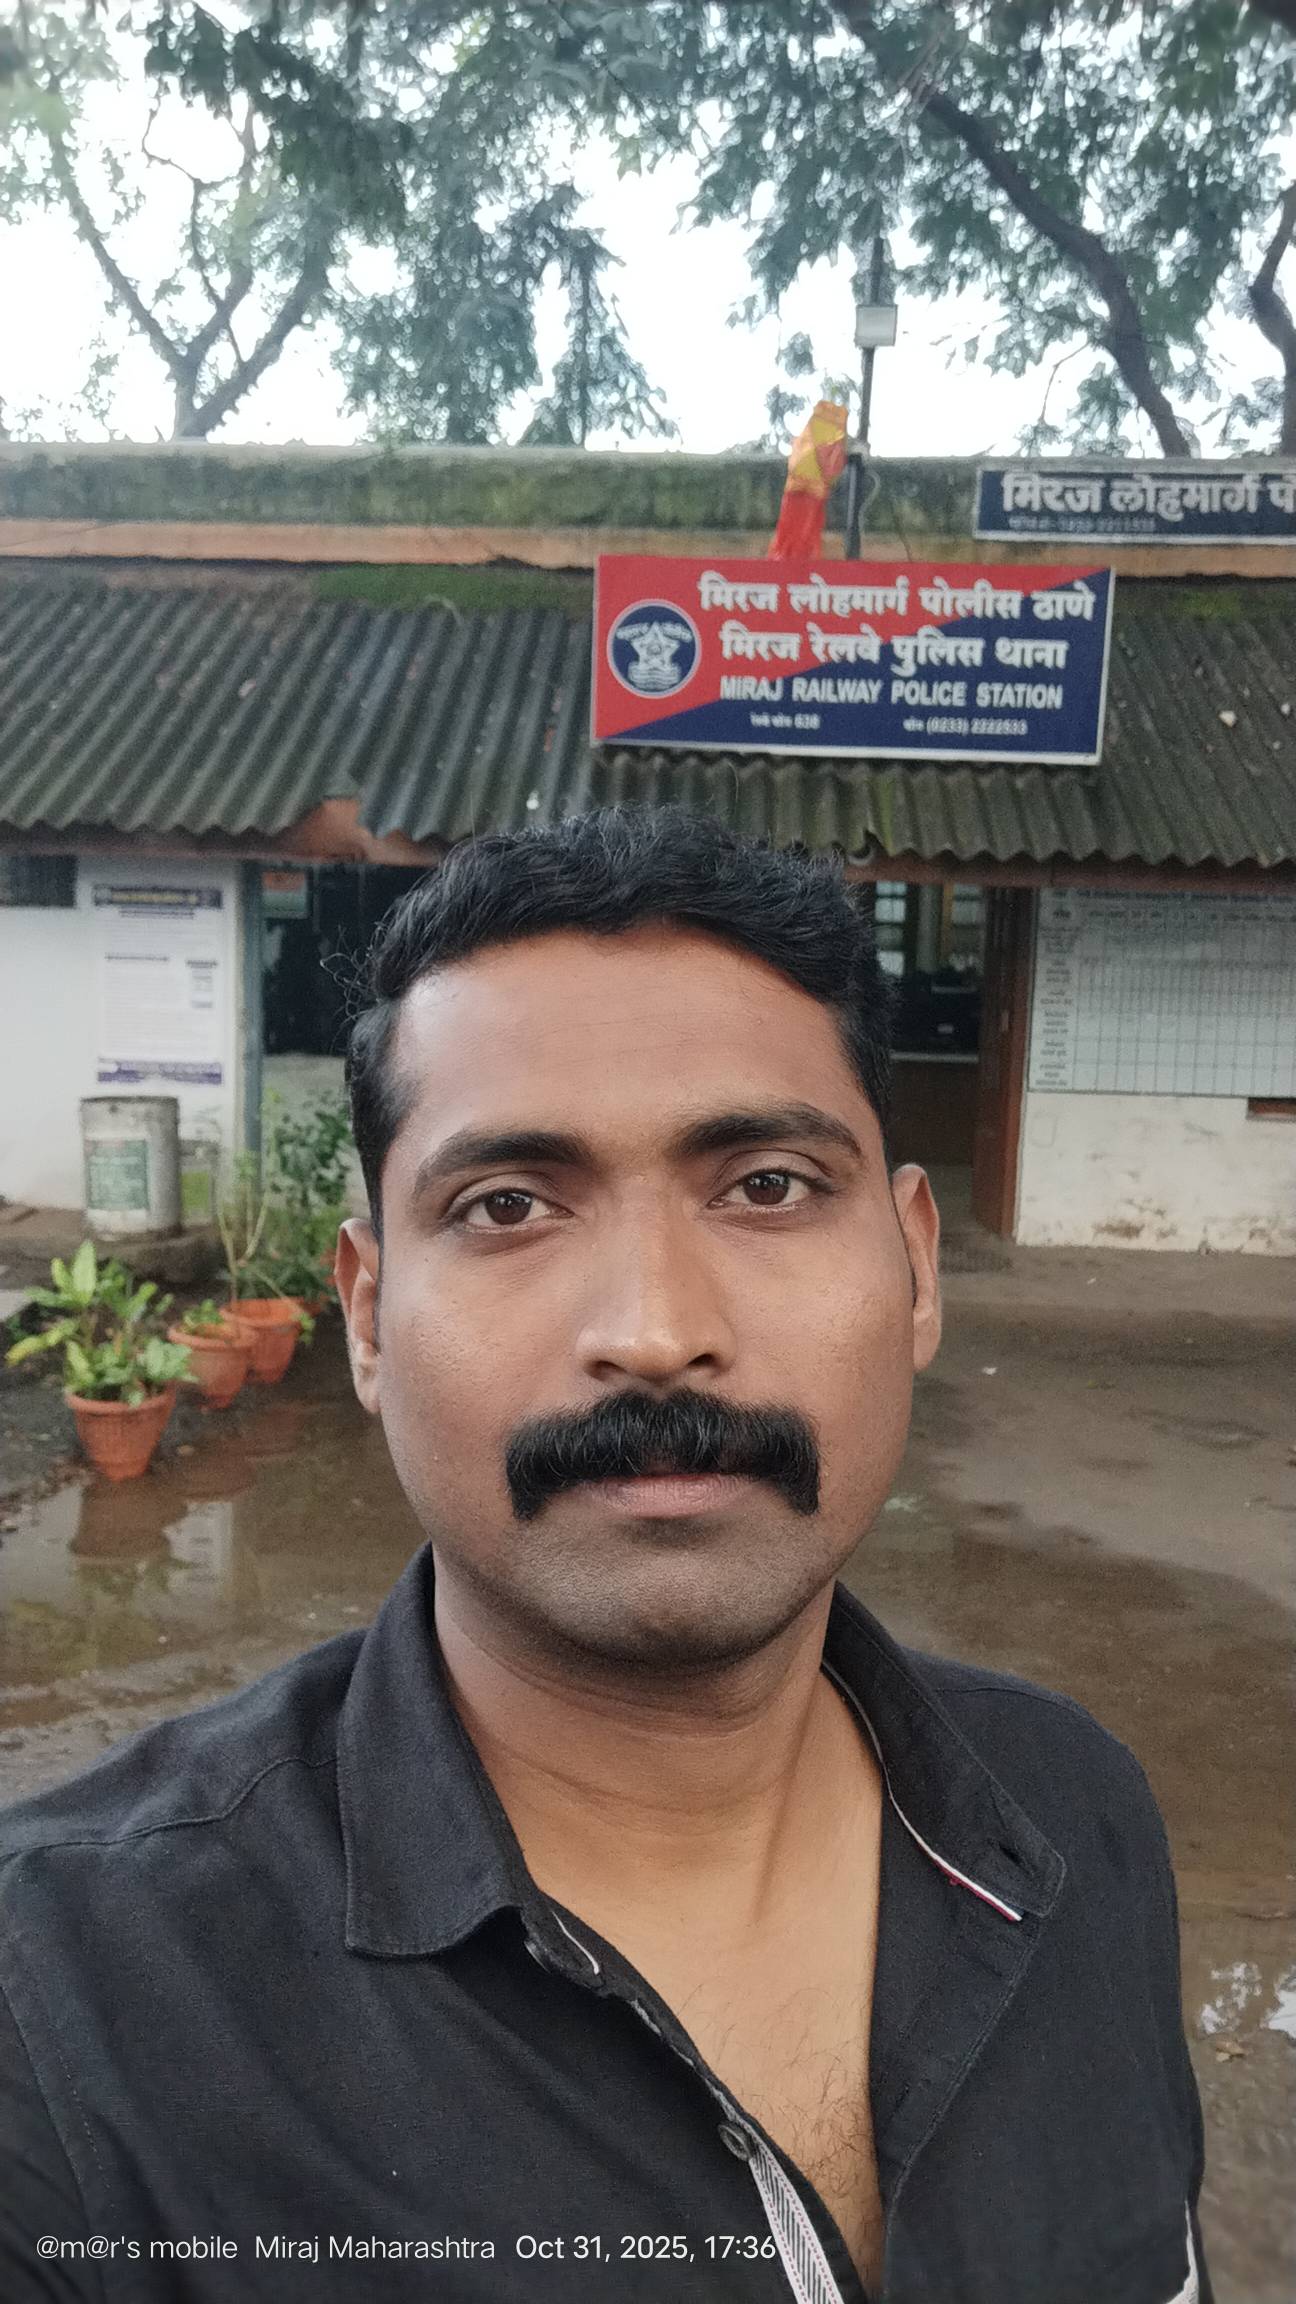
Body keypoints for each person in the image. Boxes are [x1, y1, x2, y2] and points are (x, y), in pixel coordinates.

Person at [0, 805, 1209, 2303]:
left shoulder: (1077, 1817)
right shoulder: (64, 2012)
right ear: (367, 1316)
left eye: (767, 1185)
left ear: (913, 1267)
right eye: (507, 1206)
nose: (653, 1330)